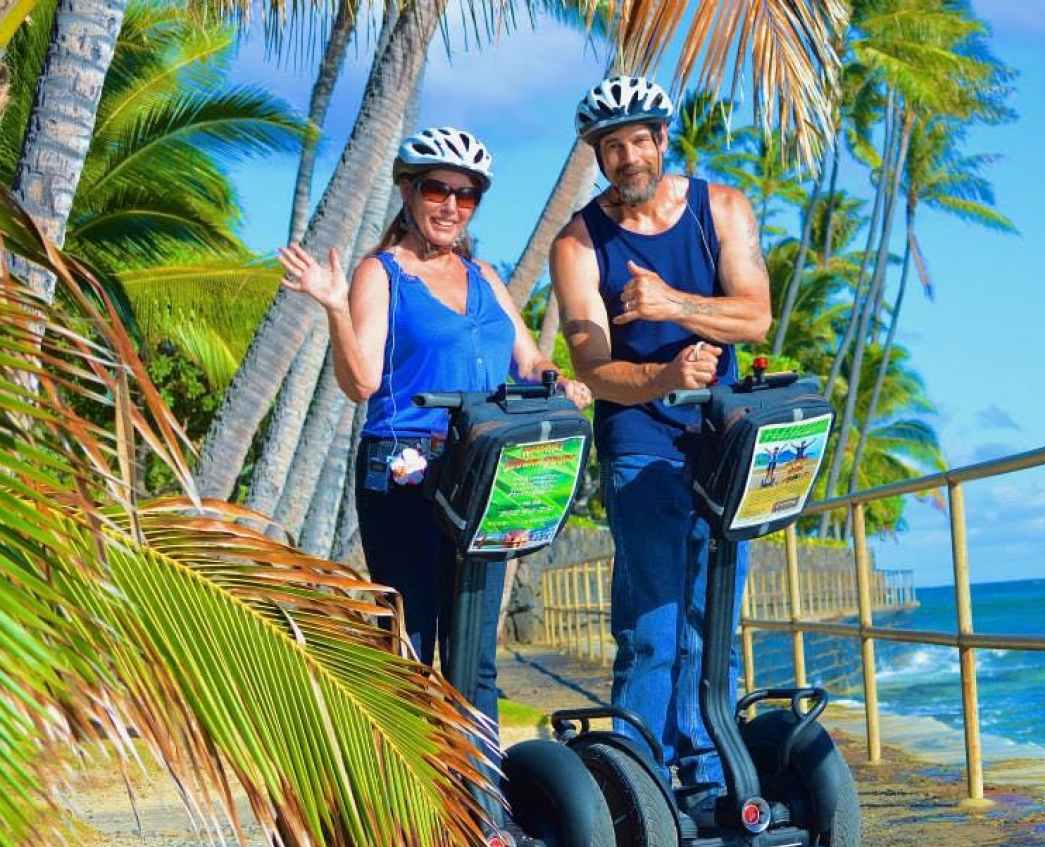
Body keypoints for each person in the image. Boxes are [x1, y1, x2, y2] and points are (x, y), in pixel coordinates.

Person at [278, 125, 591, 749]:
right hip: (405, 470)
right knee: (412, 645)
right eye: (437, 189)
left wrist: (561, 382)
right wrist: (335, 307)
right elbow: (362, 381)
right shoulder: (381, 273)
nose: (451, 205)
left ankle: (483, 802)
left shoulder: (484, 276)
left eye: (467, 194)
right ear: (408, 191)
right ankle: (416, 801)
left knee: (474, 654)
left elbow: (529, 361)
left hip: (484, 474)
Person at [549, 77, 772, 797]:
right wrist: (664, 373)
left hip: (720, 431)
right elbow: (592, 366)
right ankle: (637, 784)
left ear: (661, 141)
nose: (627, 158)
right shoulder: (579, 243)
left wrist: (672, 303)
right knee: (654, 625)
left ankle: (709, 775)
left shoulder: (722, 209)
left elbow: (754, 319)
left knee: (713, 618)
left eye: (638, 141)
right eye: (611, 147)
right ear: (598, 156)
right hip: (638, 434)